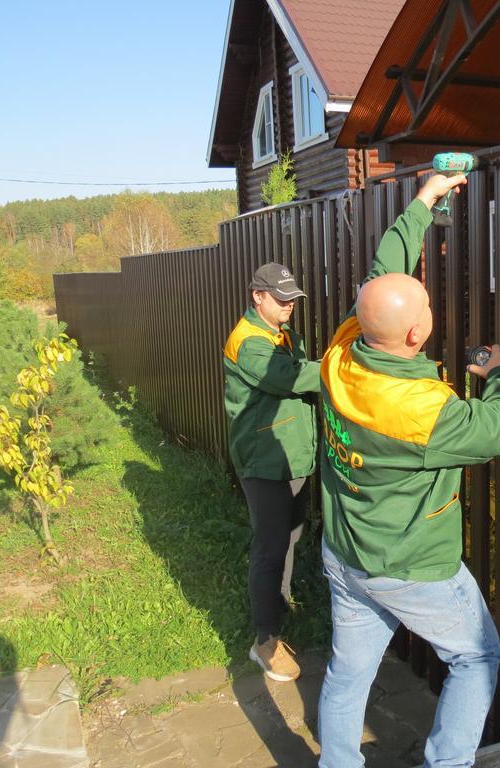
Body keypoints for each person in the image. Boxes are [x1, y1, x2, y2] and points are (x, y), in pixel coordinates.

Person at [316, 172, 500, 767]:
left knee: (348, 673)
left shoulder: (343, 349)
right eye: (428, 306)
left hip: (346, 552)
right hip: (408, 566)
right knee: (477, 656)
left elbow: (382, 273)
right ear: (417, 331)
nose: (431, 307)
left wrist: (421, 204)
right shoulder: (420, 411)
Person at [223, 262, 320, 683]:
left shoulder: (284, 334)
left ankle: (279, 609)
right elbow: (290, 377)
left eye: (292, 299)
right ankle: (265, 640)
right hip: (264, 460)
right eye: (280, 299)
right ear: (257, 296)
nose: (288, 305)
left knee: (289, 537)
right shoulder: (248, 342)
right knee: (270, 546)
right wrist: (344, 368)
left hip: (291, 456)